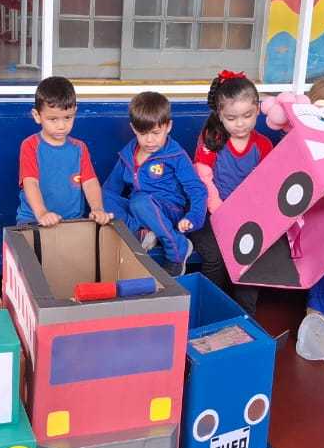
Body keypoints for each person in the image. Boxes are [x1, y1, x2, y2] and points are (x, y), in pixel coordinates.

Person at [190, 71, 272, 315]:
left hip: (246, 215)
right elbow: (203, 178)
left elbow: (267, 184)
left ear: (258, 109)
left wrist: (252, 213)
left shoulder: (263, 145)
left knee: (250, 258)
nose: (240, 123)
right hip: (210, 214)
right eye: (232, 117)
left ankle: (246, 317)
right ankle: (211, 310)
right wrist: (220, 210)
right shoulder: (212, 138)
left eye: (247, 115)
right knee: (214, 256)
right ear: (220, 115)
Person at [103, 91, 207, 276]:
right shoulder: (128, 155)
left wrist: (193, 217)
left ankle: (177, 248)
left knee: (140, 202)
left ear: (168, 126)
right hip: (139, 210)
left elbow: (197, 189)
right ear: (133, 129)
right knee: (99, 196)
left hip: (170, 211)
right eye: (143, 133)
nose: (149, 140)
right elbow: (111, 189)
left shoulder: (175, 155)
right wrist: (99, 207)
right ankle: (141, 231)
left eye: (156, 133)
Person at [16, 76, 112, 227]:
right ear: (37, 116)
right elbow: (30, 183)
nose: (61, 126)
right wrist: (42, 213)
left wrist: (98, 209)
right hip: (33, 220)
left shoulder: (79, 148)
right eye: (53, 119)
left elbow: (90, 182)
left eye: (68, 117)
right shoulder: (30, 145)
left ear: (75, 112)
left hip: (72, 221)